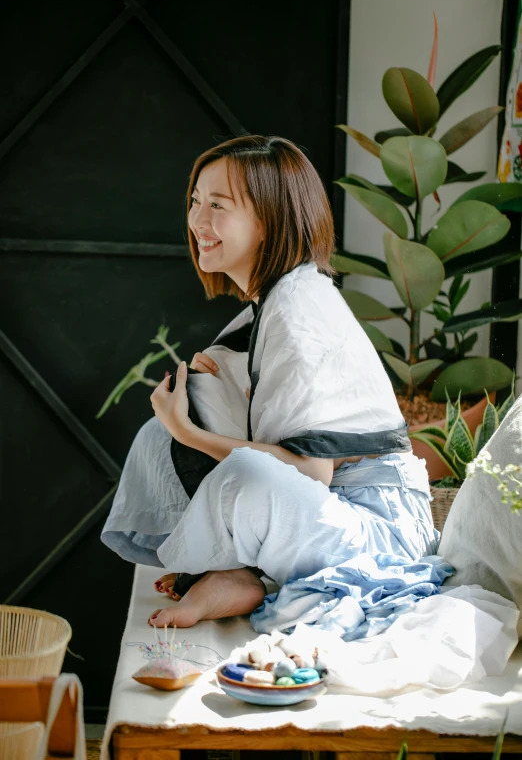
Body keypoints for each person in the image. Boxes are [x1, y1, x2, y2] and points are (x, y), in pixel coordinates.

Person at [101, 135, 439, 632]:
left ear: (269, 219)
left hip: (375, 531)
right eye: (196, 201)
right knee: (180, 418)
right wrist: (214, 387)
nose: (197, 221)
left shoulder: (297, 308)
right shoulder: (275, 301)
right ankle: (238, 573)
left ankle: (239, 573)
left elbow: (309, 475)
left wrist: (191, 434)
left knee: (239, 468)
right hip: (328, 514)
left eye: (218, 205)